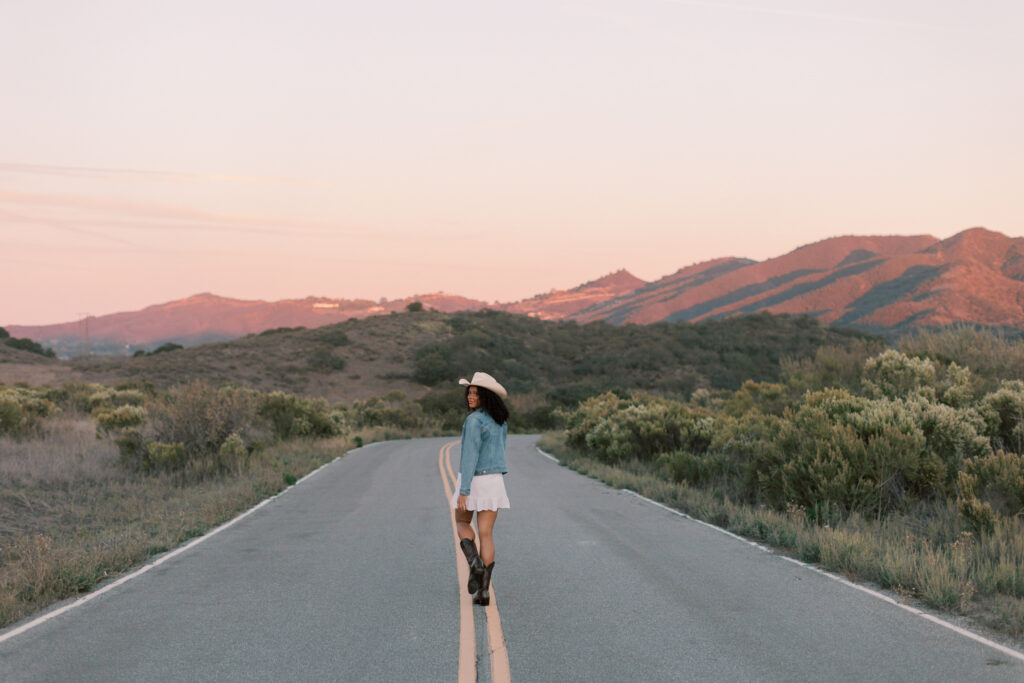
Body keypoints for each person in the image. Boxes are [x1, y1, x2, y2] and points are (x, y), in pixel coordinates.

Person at [452, 371, 510, 606]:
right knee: (486, 534)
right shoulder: (501, 421)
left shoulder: (473, 421)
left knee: (462, 523)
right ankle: (484, 592)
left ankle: (474, 562)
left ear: (485, 395)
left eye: (476, 393)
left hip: (474, 479)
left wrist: (464, 489)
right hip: (494, 481)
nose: (470, 396)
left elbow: (469, 457)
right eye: (470, 392)